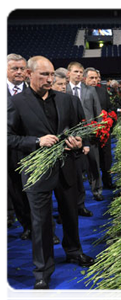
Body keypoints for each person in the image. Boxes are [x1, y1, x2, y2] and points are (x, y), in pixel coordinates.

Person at [5, 56, 95, 297]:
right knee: (41, 223)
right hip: (36, 173)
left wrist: (78, 143)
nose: (49, 78)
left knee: (70, 213)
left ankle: (74, 251)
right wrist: (36, 141)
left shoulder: (69, 100)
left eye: (51, 74)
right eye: (44, 74)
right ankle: (42, 272)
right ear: (29, 75)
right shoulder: (16, 103)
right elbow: (6, 137)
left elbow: (81, 130)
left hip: (66, 169)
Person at [53, 68, 93, 218]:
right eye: (59, 84)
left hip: (74, 148)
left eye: (64, 84)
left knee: (77, 179)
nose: (63, 87)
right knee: (61, 185)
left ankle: (80, 206)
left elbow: (82, 125)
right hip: (56, 150)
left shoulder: (74, 100)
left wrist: (85, 143)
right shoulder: (48, 103)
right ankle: (64, 212)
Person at [66, 62, 103, 201]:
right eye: (76, 72)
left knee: (94, 163)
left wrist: (98, 129)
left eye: (81, 72)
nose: (78, 75)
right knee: (74, 167)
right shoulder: (64, 89)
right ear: (69, 73)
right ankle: (76, 196)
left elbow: (97, 111)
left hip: (90, 132)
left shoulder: (90, 90)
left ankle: (97, 190)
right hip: (71, 134)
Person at [5, 53, 32, 236]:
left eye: (22, 68)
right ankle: (27, 226)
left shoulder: (34, 90)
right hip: (8, 150)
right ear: (5, 70)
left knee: (36, 190)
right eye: (15, 68)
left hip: (33, 147)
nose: (19, 72)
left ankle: (45, 229)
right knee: (16, 190)